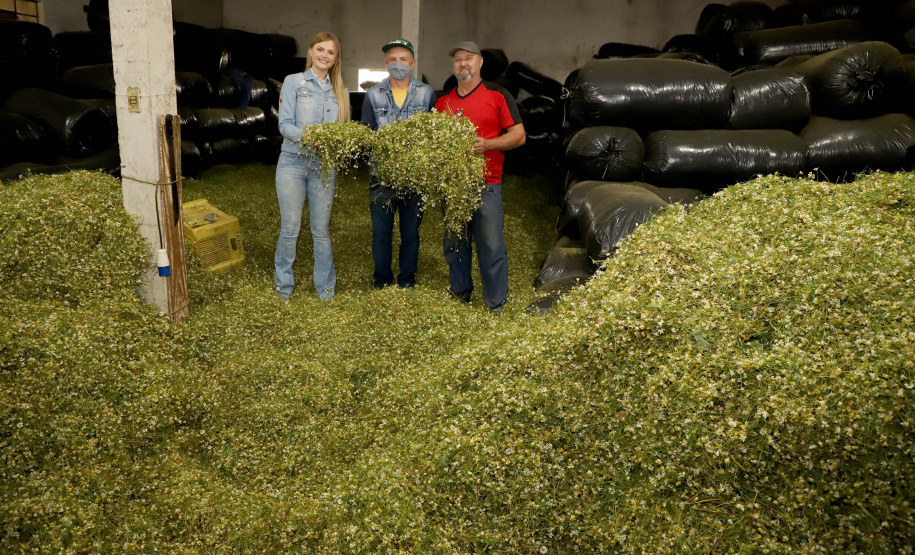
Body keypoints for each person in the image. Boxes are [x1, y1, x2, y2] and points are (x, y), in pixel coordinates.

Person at [435, 41, 525, 313]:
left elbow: (519, 136)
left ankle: (495, 304)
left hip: (487, 183)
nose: (463, 63)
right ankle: (459, 294)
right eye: (458, 59)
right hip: (453, 185)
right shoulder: (442, 102)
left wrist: (488, 144)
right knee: (455, 243)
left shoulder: (497, 95)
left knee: (491, 245)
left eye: (469, 58)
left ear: (480, 62)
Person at [274, 31, 350, 301]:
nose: (324, 56)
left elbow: (342, 132)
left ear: (335, 59)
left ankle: (325, 288)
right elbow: (284, 124)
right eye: (320, 49)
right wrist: (309, 137)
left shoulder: (340, 91)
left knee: (321, 230)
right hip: (292, 163)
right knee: (290, 228)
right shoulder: (293, 82)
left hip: (323, 167)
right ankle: (283, 285)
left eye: (330, 52)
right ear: (310, 52)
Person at [360, 38, 437, 289]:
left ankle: (406, 279)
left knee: (410, 233)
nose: (398, 64)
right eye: (392, 59)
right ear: (385, 63)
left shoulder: (426, 93)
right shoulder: (373, 95)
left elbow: (434, 133)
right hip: (381, 176)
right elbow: (367, 133)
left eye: (403, 59)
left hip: (415, 177)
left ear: (412, 63)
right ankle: (382, 279)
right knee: (381, 233)